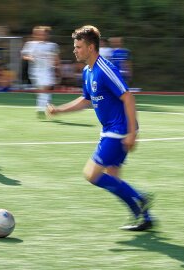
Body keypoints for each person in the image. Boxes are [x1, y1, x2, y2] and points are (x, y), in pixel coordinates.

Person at [46, 25, 154, 231]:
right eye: (75, 46)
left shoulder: (105, 69)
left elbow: (128, 98)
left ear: (91, 47)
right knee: (113, 178)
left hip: (119, 130)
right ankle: (144, 217)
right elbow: (85, 100)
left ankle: (141, 198)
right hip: (109, 129)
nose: (75, 50)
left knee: (91, 174)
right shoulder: (88, 71)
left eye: (78, 47)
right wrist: (59, 110)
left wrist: (132, 133)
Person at [21, 26, 60, 118]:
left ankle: (42, 109)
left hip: (48, 70)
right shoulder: (30, 44)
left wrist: (57, 67)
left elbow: (56, 58)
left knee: (45, 89)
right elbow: (24, 55)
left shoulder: (52, 46)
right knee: (44, 89)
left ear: (47, 35)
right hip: (35, 71)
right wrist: (31, 58)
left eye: (43, 34)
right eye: (38, 33)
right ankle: (43, 108)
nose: (41, 35)